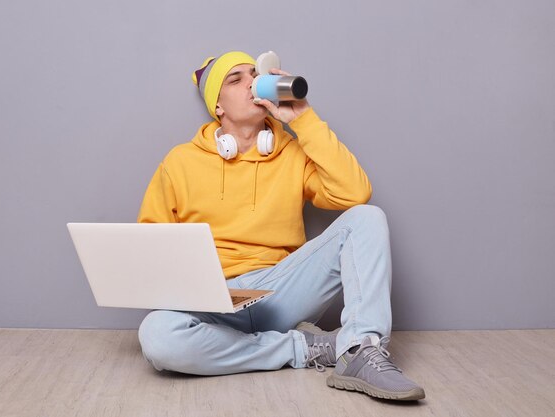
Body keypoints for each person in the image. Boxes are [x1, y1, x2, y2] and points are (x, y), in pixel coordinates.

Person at [137, 51, 425, 401]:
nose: (251, 83)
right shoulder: (179, 162)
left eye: (253, 74)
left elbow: (354, 192)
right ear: (218, 107)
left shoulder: (290, 150)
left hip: (281, 292)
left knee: (368, 217)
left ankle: (359, 351)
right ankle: (308, 349)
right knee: (157, 335)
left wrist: (302, 119)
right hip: (214, 299)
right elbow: (150, 250)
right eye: (236, 79)